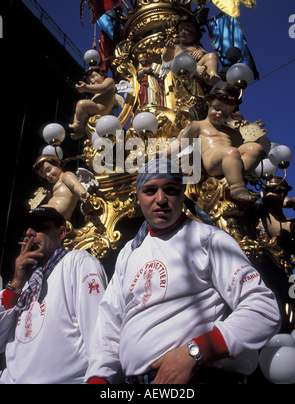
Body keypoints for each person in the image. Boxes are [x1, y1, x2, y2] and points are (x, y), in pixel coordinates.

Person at [85, 159, 281, 385]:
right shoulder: (129, 252)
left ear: (182, 194)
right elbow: (109, 327)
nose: (161, 199)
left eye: (170, 190)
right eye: (150, 191)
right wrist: (98, 381)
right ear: (138, 198)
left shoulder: (209, 239)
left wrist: (195, 353)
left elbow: (263, 308)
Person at [0, 206, 108, 384]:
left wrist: (100, 379)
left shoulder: (77, 262)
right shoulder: (26, 283)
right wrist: (17, 282)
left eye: (40, 226)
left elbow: (99, 331)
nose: (29, 233)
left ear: (61, 233)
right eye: (26, 229)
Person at [170, 82, 264, 203]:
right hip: (213, 163)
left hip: (230, 157)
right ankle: (237, 188)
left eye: (225, 112)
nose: (220, 114)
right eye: (217, 109)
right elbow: (179, 144)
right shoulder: (199, 125)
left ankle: (232, 177)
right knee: (230, 152)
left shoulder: (231, 132)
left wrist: (249, 130)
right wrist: (160, 155)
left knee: (256, 148)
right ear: (209, 104)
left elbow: (247, 145)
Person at [162, 15, 220, 87]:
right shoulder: (176, 47)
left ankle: (211, 74)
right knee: (182, 60)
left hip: (197, 67)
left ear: (195, 33)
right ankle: (196, 69)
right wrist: (168, 50)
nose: (183, 32)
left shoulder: (197, 47)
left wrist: (201, 53)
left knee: (211, 55)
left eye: (188, 30)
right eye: (180, 30)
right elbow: (166, 59)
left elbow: (206, 56)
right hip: (181, 69)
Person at [32, 155, 90, 221]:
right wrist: (48, 196)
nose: (48, 175)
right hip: (56, 214)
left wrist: (82, 192)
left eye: (49, 170)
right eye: (45, 176)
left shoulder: (65, 175)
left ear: (58, 165)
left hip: (55, 210)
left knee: (35, 213)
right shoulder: (56, 185)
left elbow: (74, 184)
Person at [69, 65, 116, 140]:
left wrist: (86, 88)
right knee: (78, 112)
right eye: (89, 80)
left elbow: (103, 88)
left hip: (100, 109)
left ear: (102, 76)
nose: (91, 80)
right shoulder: (95, 95)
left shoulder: (109, 81)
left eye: (94, 76)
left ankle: (78, 124)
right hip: (93, 113)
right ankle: (80, 130)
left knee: (82, 104)